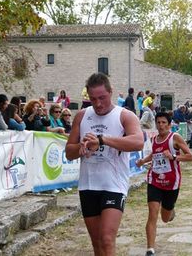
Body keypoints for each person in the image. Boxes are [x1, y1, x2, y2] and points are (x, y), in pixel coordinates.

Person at [65, 73, 143, 255]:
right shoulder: (82, 116)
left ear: (111, 92)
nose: (98, 103)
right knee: (97, 243)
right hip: (88, 185)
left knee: (107, 239)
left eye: (102, 98)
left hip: (114, 185)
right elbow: (69, 152)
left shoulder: (125, 116)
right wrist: (82, 147)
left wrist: (102, 140)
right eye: (93, 99)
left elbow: (138, 142)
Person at [136, 112, 192, 256]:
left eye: (163, 123)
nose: (160, 125)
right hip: (154, 180)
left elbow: (190, 156)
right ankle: (150, 249)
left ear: (169, 125)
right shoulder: (154, 139)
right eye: (158, 122)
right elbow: (154, 155)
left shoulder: (175, 138)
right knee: (152, 214)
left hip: (171, 182)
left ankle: (170, 210)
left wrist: (174, 156)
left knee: (165, 218)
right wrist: (143, 161)